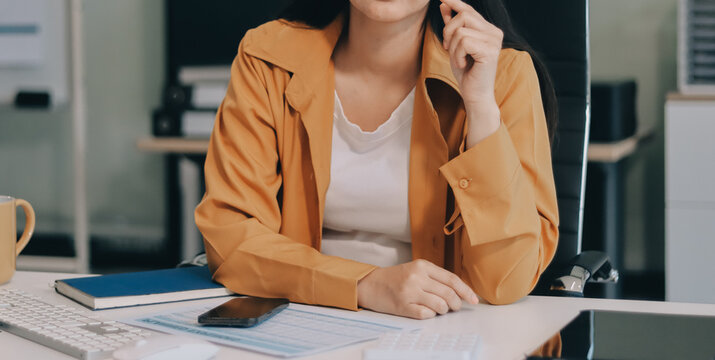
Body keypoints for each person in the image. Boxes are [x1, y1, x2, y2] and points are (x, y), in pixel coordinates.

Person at [195, 0, 559, 320]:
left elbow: (506, 281)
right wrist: (365, 285)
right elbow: (231, 238)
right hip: (303, 317)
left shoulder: (502, 74)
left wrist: (479, 105)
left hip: (437, 331)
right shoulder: (268, 57)